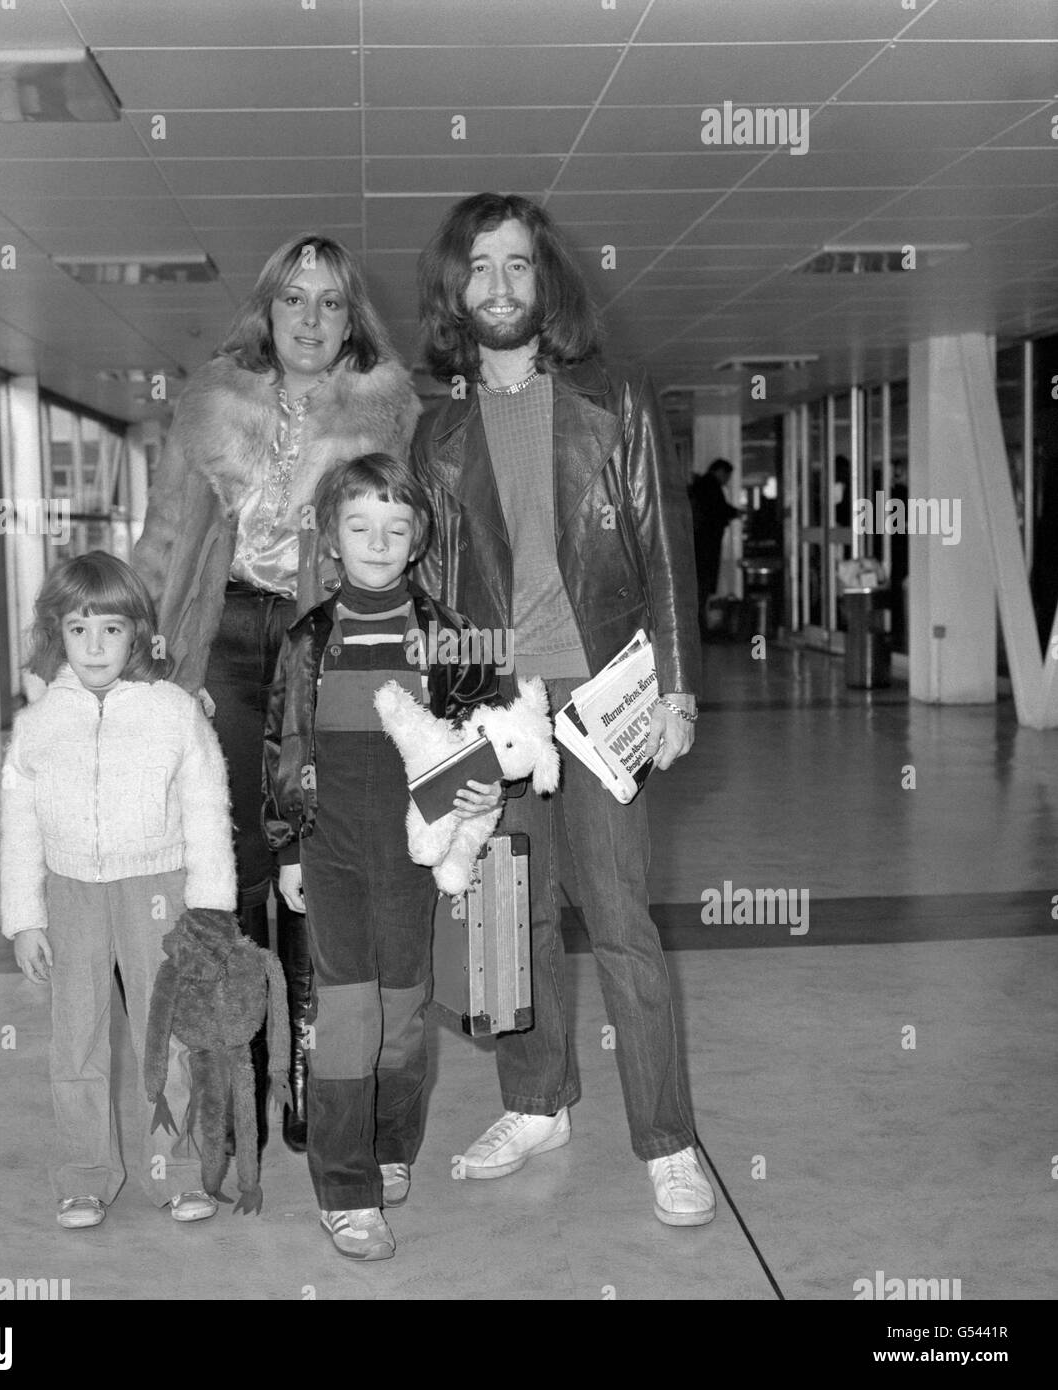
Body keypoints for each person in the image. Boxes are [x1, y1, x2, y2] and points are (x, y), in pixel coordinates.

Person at [412, 192, 716, 1227]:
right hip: (502, 711)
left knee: (621, 920)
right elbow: (440, 596)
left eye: (518, 265)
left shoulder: (614, 396)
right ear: (456, 290)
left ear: (546, 282)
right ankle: (534, 1102)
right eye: (480, 268)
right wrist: (452, 714)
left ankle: (668, 1137)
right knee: (508, 920)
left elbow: (664, 544)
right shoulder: (439, 431)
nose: (499, 286)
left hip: (604, 699)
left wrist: (676, 679)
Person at [132, 235, 421, 1155]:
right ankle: (236, 1092)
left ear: (351, 320)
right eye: (293, 299)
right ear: (266, 308)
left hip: (320, 648)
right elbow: (164, 536)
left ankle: (309, 1074)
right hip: (219, 637)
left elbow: (408, 545)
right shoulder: (211, 405)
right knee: (233, 866)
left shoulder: (383, 415)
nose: (308, 319)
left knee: (312, 861)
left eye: (330, 303)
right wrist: (127, 653)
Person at [264, 453, 503, 1260]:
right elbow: (283, 742)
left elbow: (481, 735)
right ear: (332, 537)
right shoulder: (306, 639)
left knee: (405, 1010)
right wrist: (288, 846)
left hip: (411, 850)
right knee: (346, 1013)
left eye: (394, 528)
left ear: (417, 539)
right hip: (328, 846)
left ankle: (391, 1142)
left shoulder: (448, 635)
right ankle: (345, 1189)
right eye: (359, 526)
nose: (377, 540)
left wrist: (479, 795)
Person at [0, 551, 236, 1229]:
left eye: (110, 628)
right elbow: (19, 827)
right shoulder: (38, 725)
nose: (95, 645)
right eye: (79, 629)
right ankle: (83, 1176)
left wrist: (211, 909)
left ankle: (180, 1173)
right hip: (71, 893)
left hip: (157, 889)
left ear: (137, 632)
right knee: (74, 1041)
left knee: (167, 1038)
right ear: (58, 633)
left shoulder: (173, 712)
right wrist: (25, 919)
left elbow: (205, 810)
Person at [689, 458, 743, 632]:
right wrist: (736, 512)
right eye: (727, 476)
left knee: (700, 584)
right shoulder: (710, 486)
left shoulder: (701, 485)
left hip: (699, 543)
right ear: (721, 472)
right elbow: (718, 510)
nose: (727, 481)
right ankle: (701, 625)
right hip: (706, 544)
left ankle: (700, 623)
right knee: (703, 583)